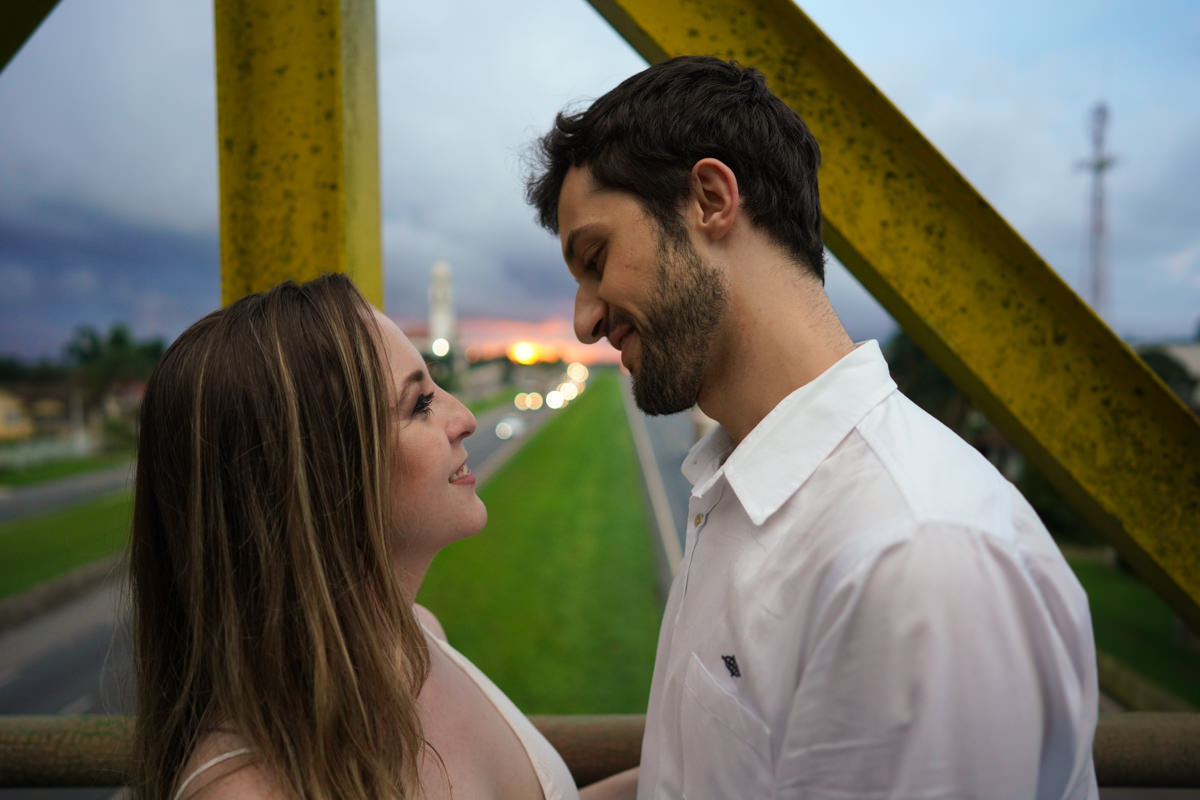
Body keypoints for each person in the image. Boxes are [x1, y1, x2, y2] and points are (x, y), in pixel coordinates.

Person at [526, 56, 1099, 799]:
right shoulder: (745, 484)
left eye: (596, 259)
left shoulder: (914, 557)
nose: (584, 320)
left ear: (709, 198)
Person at [129, 274, 636, 799]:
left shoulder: (418, 637)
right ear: (321, 477)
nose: (464, 418)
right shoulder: (244, 790)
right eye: (418, 404)